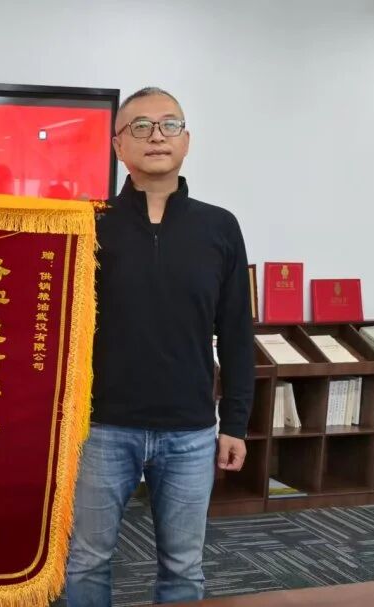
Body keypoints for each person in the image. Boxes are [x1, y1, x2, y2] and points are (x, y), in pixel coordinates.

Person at [64, 88, 255, 605]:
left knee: (183, 568)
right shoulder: (87, 223)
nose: (156, 137)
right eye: (140, 127)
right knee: (87, 560)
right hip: (102, 427)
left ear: (186, 141)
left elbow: (237, 332)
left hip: (190, 430)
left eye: (169, 125)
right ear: (117, 145)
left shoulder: (219, 226)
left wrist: (235, 423)